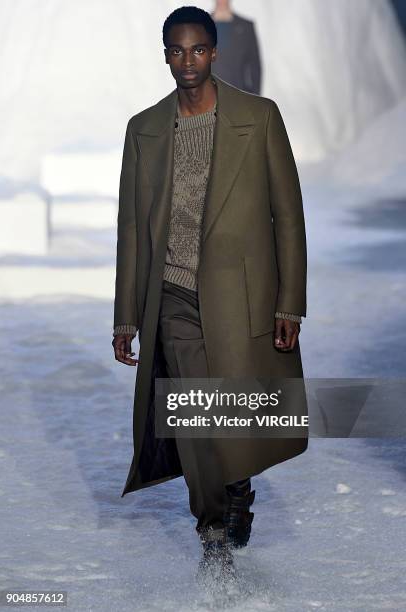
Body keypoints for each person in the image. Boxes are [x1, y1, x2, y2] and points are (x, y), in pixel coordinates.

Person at [112, 6, 308, 580]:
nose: (187, 61)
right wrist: (127, 316)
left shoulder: (259, 117)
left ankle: (238, 487)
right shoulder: (144, 129)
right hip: (172, 293)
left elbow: (288, 217)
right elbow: (130, 228)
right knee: (195, 412)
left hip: (240, 296)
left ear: (215, 52)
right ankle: (213, 526)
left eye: (198, 50)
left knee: (235, 414)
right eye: (177, 50)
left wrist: (289, 303)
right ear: (165, 54)